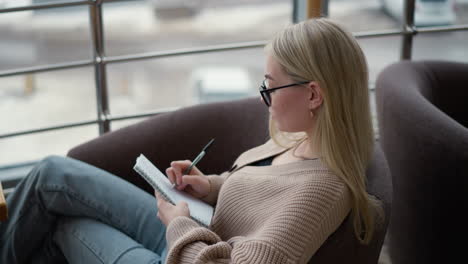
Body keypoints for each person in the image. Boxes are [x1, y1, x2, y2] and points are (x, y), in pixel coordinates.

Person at [0, 18, 383, 264]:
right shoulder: (296, 140)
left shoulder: (323, 191)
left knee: (66, 228)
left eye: (270, 85)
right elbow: (261, 195)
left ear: (314, 95)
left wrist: (180, 226)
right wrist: (210, 185)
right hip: (195, 234)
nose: (263, 95)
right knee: (54, 173)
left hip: (190, 251)